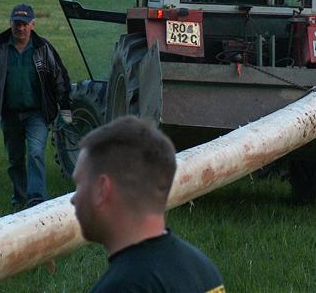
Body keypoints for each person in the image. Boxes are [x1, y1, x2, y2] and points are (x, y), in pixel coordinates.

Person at [71, 116, 226, 293]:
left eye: (79, 184)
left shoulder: (122, 287)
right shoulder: (203, 269)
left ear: (102, 189)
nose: (73, 199)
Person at [0, 3, 72, 208]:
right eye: (16, 23)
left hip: (37, 114)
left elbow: (59, 78)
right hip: (9, 113)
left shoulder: (43, 48)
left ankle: (36, 200)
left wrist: (65, 109)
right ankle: (20, 197)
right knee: (15, 159)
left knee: (36, 153)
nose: (20, 28)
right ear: (10, 23)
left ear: (32, 25)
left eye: (24, 24)